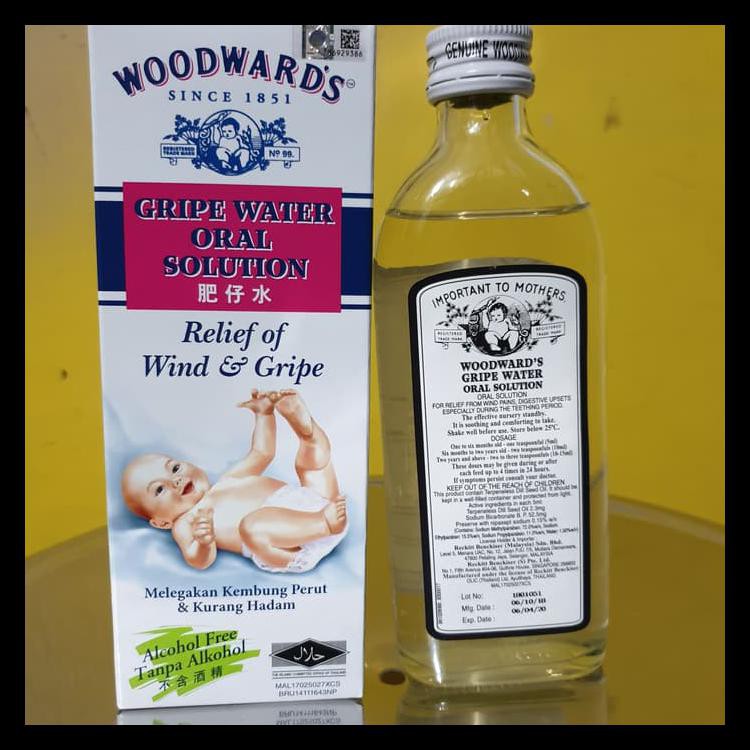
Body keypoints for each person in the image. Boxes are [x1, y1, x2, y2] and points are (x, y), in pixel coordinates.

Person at [121, 390, 347, 574]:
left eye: (175, 468)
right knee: (252, 527)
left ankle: (308, 436)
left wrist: (264, 414)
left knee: (312, 465)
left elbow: (262, 452)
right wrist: (203, 542)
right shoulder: (187, 522)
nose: (176, 480)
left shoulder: (227, 480)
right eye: (160, 489)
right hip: (288, 547)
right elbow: (198, 561)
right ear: (162, 523)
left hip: (314, 504)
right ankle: (324, 525)